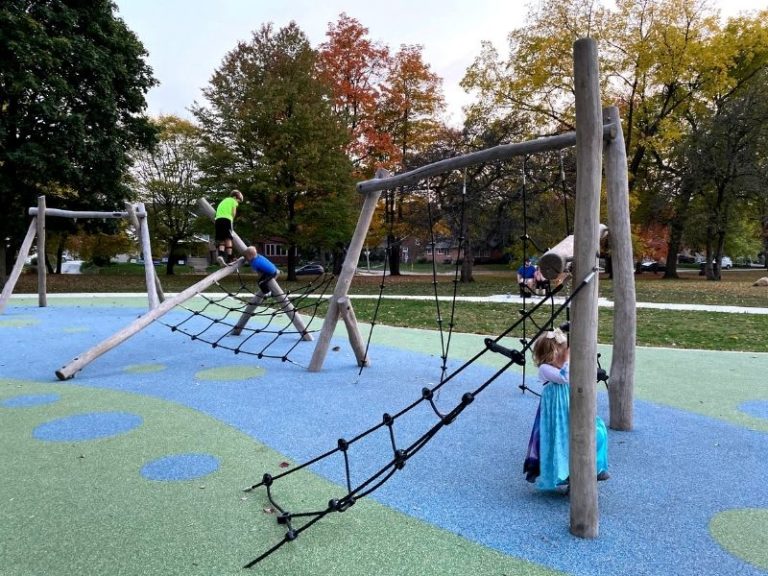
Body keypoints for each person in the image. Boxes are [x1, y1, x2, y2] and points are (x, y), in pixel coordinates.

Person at [523, 328, 609, 491]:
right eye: (561, 353)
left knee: (598, 431)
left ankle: (597, 467)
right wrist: (568, 359)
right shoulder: (545, 369)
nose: (564, 356)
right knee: (562, 440)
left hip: (570, 406)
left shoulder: (565, 366)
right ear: (550, 356)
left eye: (565, 353)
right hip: (557, 412)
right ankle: (569, 476)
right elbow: (564, 378)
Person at [215, 190, 244, 263]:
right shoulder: (233, 201)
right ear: (234, 197)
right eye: (238, 200)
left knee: (222, 239)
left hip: (218, 220)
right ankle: (230, 257)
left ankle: (220, 255)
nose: (238, 202)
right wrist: (232, 220)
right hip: (226, 219)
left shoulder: (224, 201)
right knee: (228, 238)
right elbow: (233, 212)